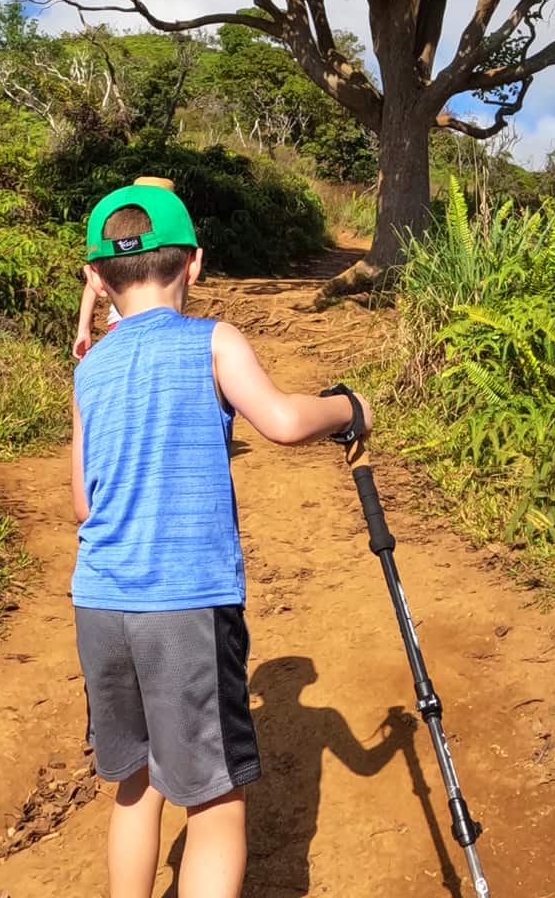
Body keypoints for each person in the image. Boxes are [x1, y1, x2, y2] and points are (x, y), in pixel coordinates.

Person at [71, 182, 372, 898]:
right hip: (186, 606)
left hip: (100, 604)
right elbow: (282, 422)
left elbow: (83, 503)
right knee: (213, 802)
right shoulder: (212, 340)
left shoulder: (89, 368)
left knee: (134, 782)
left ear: (97, 278)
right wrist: (347, 407)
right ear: (195, 263)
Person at [72, 175, 176, 359]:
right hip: (141, 325)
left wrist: (83, 330)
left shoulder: (121, 234)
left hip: (126, 325)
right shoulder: (173, 237)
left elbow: (92, 283)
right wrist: (83, 330)